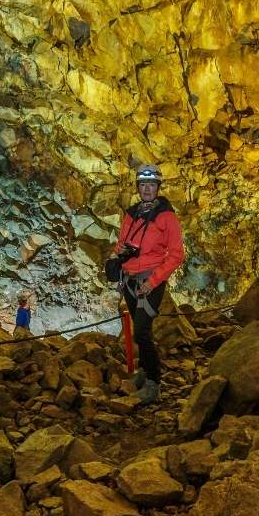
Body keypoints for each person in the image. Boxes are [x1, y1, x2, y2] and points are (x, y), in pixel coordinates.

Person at [111, 164, 184, 404]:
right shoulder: (131, 214)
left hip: (150, 280)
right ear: (138, 188)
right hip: (130, 280)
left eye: (152, 185)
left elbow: (176, 255)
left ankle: (154, 383)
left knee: (141, 332)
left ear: (158, 187)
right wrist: (119, 254)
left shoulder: (167, 217)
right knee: (141, 329)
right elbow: (121, 244)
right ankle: (143, 371)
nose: (147, 189)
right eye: (143, 185)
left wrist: (152, 282)